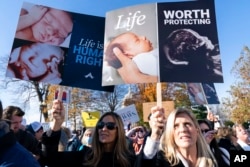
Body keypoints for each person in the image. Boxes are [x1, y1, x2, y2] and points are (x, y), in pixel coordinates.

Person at [41, 99, 137, 167]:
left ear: (119, 131)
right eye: (100, 125)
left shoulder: (129, 160)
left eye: (110, 126)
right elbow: (50, 158)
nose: (103, 129)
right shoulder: (86, 156)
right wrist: (56, 124)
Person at [143, 107, 218, 167]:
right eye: (175, 126)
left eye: (187, 124)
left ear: (197, 130)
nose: (183, 129)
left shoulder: (215, 160)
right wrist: (155, 135)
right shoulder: (162, 161)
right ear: (170, 133)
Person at [0, 100, 40, 167]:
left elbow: (40, 151)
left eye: (20, 122)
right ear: (5, 120)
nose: (18, 126)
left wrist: (29, 158)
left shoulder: (26, 136)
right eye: (15, 122)